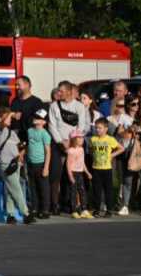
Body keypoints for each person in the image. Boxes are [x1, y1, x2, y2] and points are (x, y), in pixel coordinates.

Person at [47, 81, 89, 215]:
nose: (58, 93)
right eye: (58, 91)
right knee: (55, 175)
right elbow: (52, 125)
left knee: (72, 175)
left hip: (74, 145)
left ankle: (72, 204)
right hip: (58, 144)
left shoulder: (79, 106)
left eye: (61, 91)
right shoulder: (54, 106)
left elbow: (81, 126)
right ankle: (55, 204)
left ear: (70, 92)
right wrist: (61, 141)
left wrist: (72, 142)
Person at [0, 107, 36, 224]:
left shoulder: (12, 133)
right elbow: (4, 123)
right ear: (0, 118)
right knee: (16, 188)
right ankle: (25, 213)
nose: (10, 119)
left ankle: (10, 215)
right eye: (7, 116)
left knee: (11, 188)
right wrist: (11, 113)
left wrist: (21, 153)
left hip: (16, 163)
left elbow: (21, 145)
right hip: (6, 163)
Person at [89, 117, 123, 218]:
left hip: (107, 169)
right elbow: (90, 148)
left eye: (100, 127)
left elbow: (121, 148)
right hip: (96, 168)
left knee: (108, 190)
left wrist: (112, 155)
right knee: (97, 190)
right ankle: (96, 209)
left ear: (106, 128)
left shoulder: (110, 139)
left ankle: (109, 210)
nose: (97, 129)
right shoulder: (93, 139)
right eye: (96, 127)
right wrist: (93, 155)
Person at [26, 109, 52, 219]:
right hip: (30, 163)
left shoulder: (45, 134)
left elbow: (48, 152)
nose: (35, 118)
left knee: (43, 188)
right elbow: (29, 146)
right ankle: (35, 208)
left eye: (38, 118)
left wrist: (46, 167)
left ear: (44, 122)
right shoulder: (29, 131)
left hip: (40, 163)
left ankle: (45, 209)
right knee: (32, 187)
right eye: (35, 116)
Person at [66, 131, 92, 218]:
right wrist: (70, 175)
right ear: (74, 139)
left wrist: (87, 172)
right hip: (73, 172)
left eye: (82, 137)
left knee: (82, 191)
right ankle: (74, 211)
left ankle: (84, 210)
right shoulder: (71, 151)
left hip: (80, 173)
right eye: (79, 137)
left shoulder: (81, 149)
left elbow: (82, 162)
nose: (82, 139)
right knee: (73, 192)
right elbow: (68, 164)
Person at [10, 76, 44, 143]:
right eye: (16, 85)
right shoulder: (14, 101)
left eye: (18, 85)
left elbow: (40, 120)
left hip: (31, 140)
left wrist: (22, 116)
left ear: (27, 85)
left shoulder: (36, 102)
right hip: (15, 140)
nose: (16, 87)